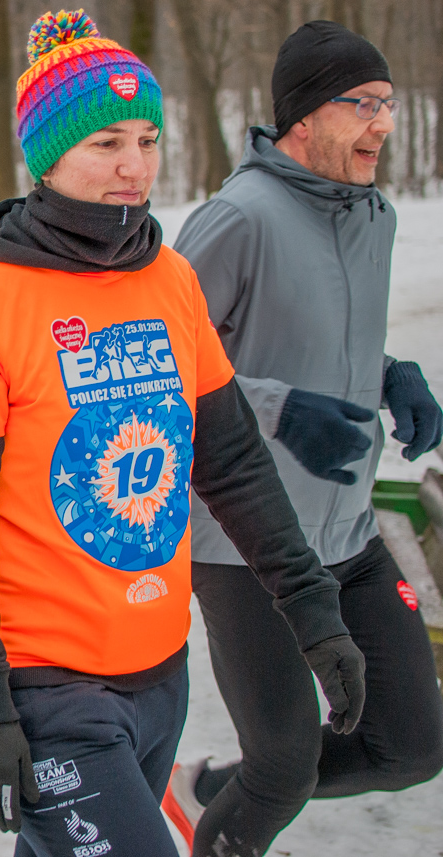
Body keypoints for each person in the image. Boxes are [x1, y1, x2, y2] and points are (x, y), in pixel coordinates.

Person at [0, 11, 366, 857]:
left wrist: (313, 608)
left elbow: (230, 460)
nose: (134, 166)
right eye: (106, 142)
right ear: (47, 157)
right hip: (50, 692)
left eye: (148, 139)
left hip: (160, 671)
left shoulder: (171, 278)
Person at [162, 20, 443, 857]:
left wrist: (391, 370)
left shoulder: (377, 218)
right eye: (363, 104)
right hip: (243, 544)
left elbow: (318, 335)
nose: (383, 124)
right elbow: (160, 364)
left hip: (349, 534)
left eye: (389, 104)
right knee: (283, 761)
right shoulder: (237, 218)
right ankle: (238, 798)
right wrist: (281, 407)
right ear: (304, 117)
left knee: (415, 742)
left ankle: (210, 788)